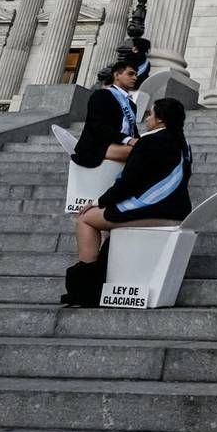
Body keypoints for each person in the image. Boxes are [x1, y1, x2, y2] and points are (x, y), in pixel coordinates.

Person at [62, 97, 193, 307]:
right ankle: (103, 273)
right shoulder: (183, 145)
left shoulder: (149, 141)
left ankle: (86, 288)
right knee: (107, 224)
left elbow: (128, 181)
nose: (147, 119)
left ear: (160, 119)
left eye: (150, 114)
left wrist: (98, 201)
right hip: (177, 212)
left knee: (85, 219)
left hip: (153, 210)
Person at [72, 61, 139, 169]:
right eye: (130, 74)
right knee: (142, 151)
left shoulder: (131, 104)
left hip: (120, 144)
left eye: (136, 75)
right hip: (97, 146)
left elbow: (133, 130)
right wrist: (128, 140)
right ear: (116, 75)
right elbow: (98, 125)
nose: (135, 78)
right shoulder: (101, 95)